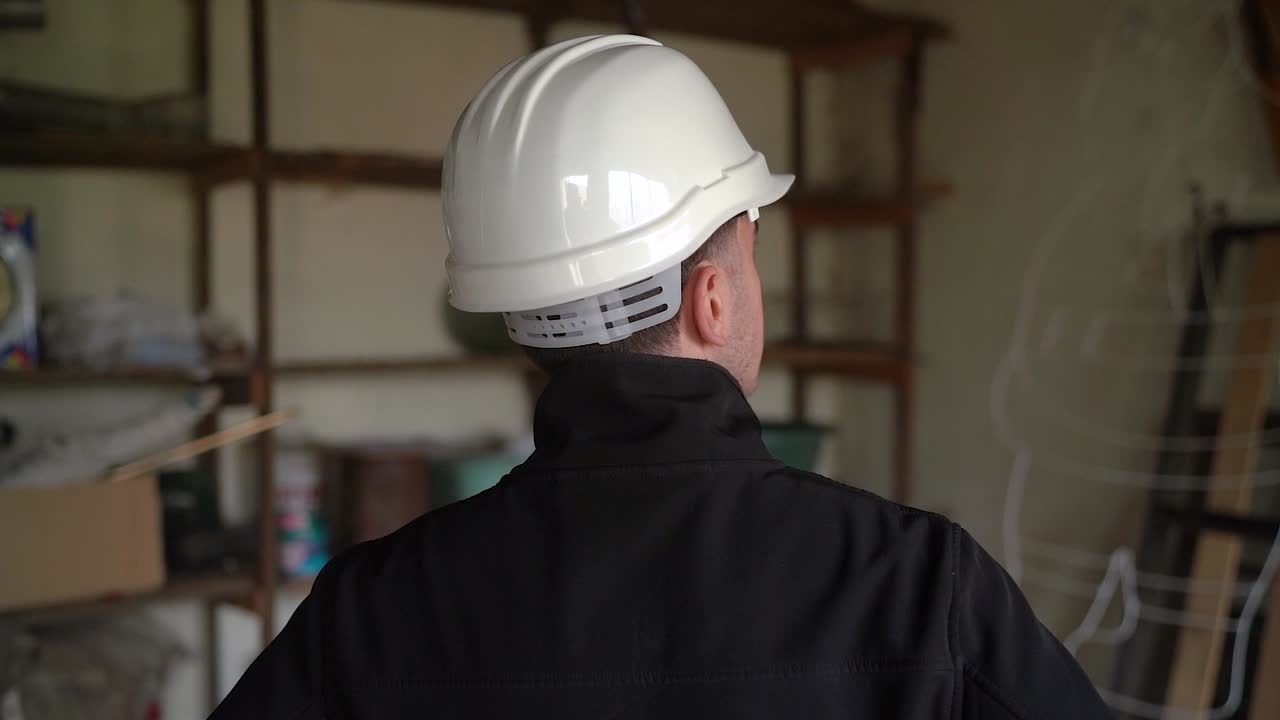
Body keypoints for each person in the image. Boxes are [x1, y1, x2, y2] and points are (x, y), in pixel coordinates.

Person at [210, 35, 1112, 719]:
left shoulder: (375, 610)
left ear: (523, 324)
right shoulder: (917, 588)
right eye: (752, 254)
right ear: (712, 300)